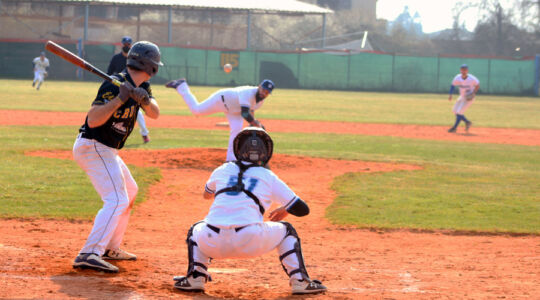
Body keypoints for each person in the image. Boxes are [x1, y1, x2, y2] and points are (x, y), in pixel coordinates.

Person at [172, 127, 327, 295]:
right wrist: (285, 209)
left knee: (196, 228)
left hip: (211, 241)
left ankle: (196, 277)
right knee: (288, 230)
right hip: (250, 240)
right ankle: (300, 281)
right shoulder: (268, 176)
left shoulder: (223, 169)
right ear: (266, 152)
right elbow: (302, 209)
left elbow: (206, 195)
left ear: (238, 149)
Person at [72, 41, 163, 273]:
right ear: (151, 66)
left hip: (106, 150)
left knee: (129, 191)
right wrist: (120, 99)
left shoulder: (142, 85)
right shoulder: (113, 85)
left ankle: (110, 247)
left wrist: (145, 100)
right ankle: (89, 252)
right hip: (93, 146)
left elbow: (155, 114)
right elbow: (92, 120)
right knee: (117, 199)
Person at [165, 78, 275, 161]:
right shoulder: (248, 92)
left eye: (266, 92)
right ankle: (181, 86)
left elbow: (250, 111)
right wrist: (256, 124)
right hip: (221, 101)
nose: (263, 93)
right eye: (263, 89)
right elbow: (245, 113)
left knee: (236, 130)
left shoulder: (260, 102)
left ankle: (231, 159)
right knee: (196, 110)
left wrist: (255, 124)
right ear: (259, 86)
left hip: (235, 111)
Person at [107, 36, 151, 143]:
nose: (126, 46)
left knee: (137, 112)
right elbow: (109, 74)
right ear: (122, 45)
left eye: (128, 44)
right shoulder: (116, 58)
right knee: (110, 110)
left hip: (133, 89)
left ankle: (144, 134)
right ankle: (107, 136)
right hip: (118, 89)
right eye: (125, 44)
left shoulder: (135, 59)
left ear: (131, 45)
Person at [447, 64, 480, 133]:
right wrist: (450, 94)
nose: (463, 71)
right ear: (460, 70)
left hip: (469, 98)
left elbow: (477, 85)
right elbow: (452, 86)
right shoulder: (457, 77)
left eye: (465, 69)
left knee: (459, 113)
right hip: (462, 97)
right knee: (454, 111)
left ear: (467, 70)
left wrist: (473, 93)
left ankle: (454, 128)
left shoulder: (472, 78)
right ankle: (467, 122)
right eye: (462, 69)